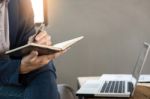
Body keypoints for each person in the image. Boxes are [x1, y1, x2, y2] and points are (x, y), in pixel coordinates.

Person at [0, 0, 64, 99]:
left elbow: (22, 44)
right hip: (7, 71)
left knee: (44, 64)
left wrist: (35, 44)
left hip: (12, 71)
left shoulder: (21, 2)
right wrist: (19, 68)